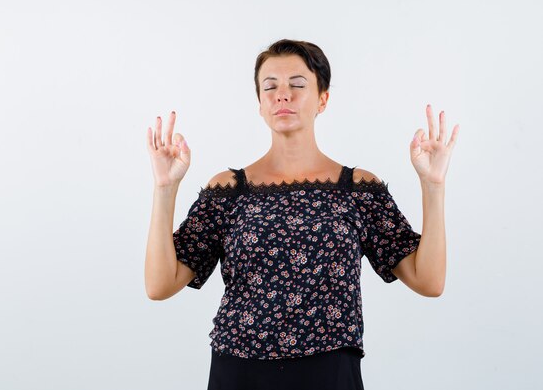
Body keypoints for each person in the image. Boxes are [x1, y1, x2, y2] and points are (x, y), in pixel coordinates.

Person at [145, 39, 459, 390]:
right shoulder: (228, 191)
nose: (283, 95)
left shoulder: (358, 189)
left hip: (330, 373)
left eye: (297, 85)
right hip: (240, 372)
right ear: (260, 105)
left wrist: (433, 185)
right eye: (270, 87)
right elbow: (159, 285)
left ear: (322, 99)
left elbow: (429, 281)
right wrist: (164, 189)